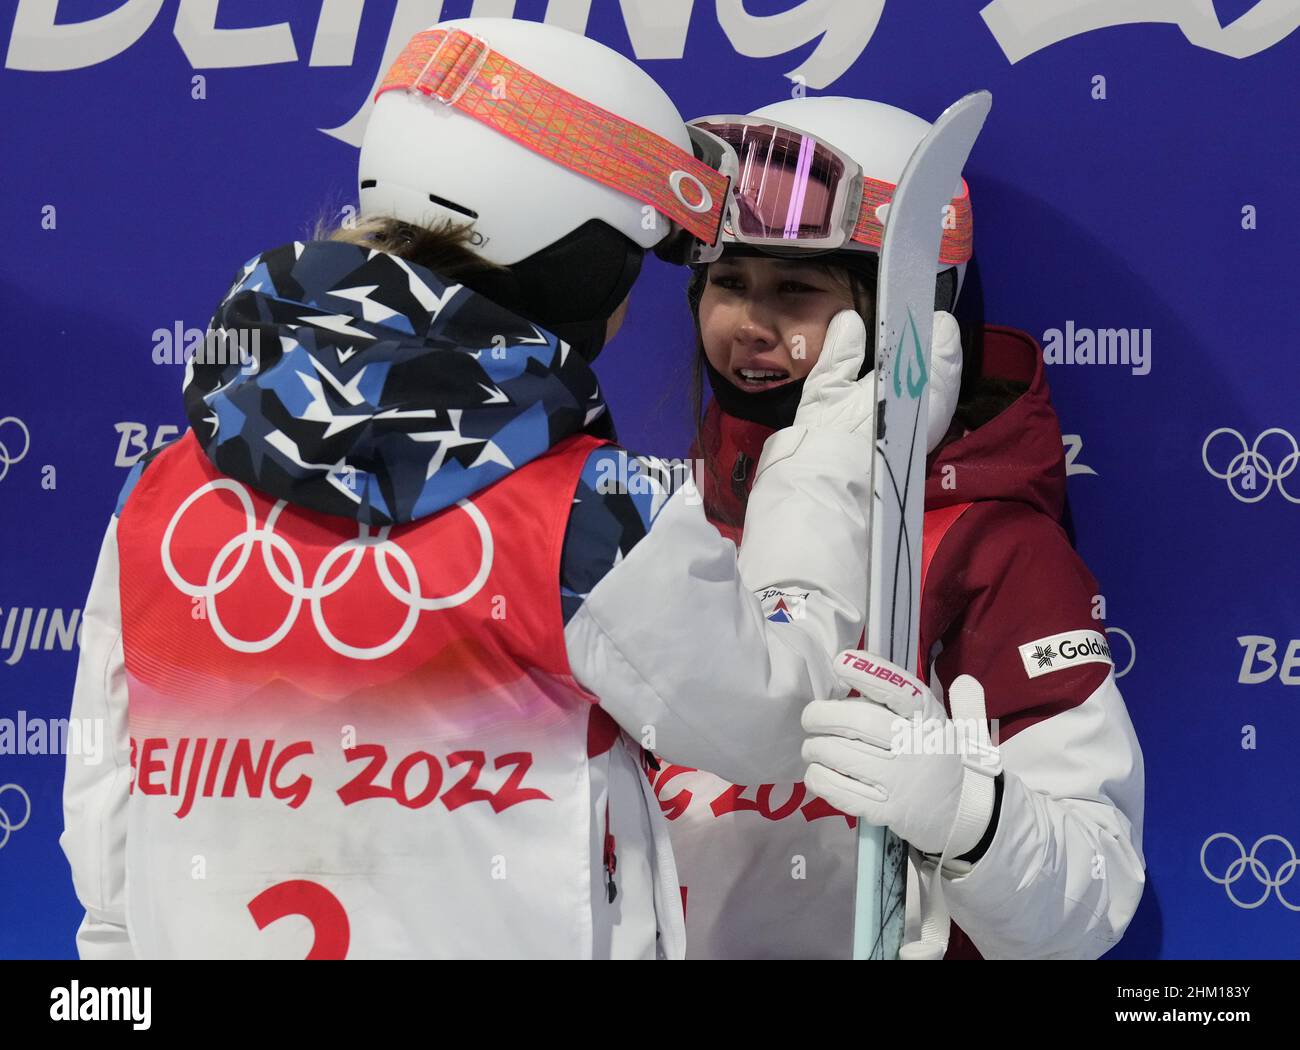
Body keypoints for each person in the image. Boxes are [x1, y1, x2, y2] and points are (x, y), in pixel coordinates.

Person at [58, 19, 892, 960]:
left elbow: (107, 835)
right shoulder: (580, 513)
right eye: (630, 260)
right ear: (577, 254)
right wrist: (820, 467)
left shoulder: (163, 496)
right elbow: (778, 719)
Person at [653, 97, 1146, 960]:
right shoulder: (672, 513)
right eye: (728, 282)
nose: (749, 325)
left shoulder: (987, 548)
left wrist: (971, 819)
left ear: (908, 311)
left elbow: (1093, 892)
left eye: (796, 290)